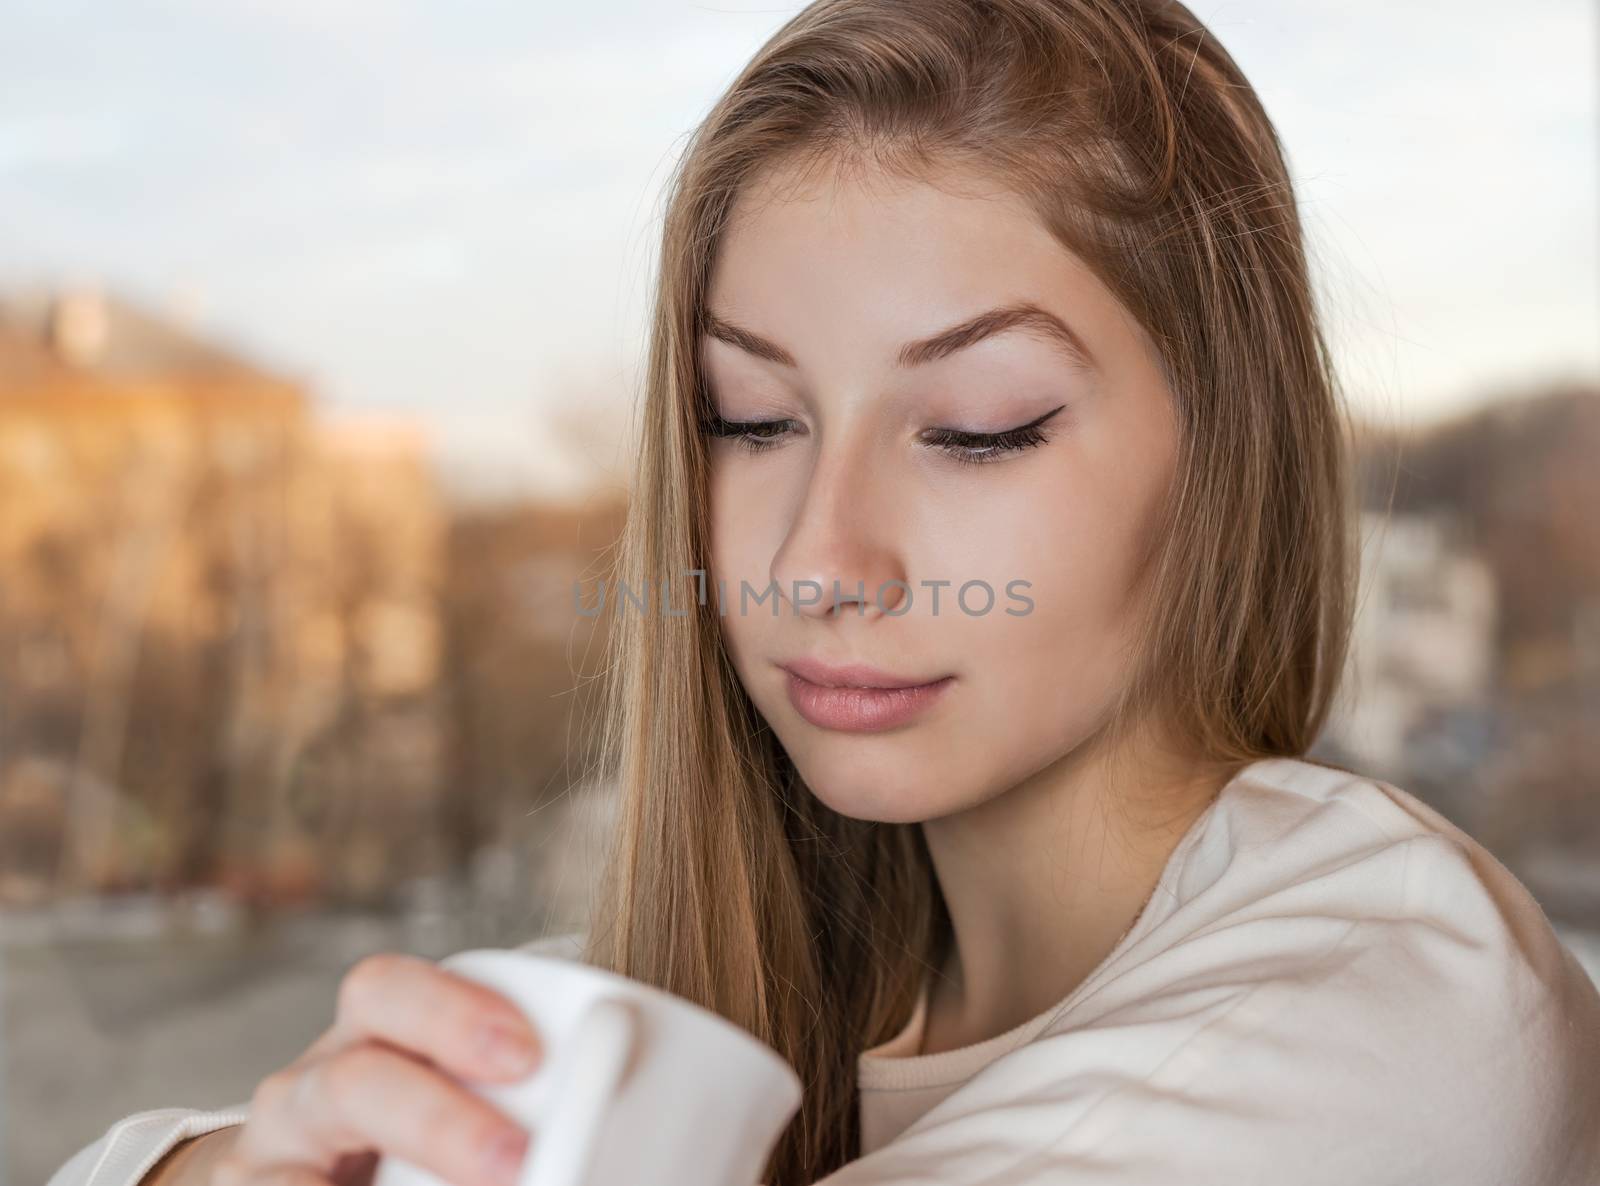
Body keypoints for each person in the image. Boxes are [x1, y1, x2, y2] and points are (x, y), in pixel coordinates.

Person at [44, 1, 1600, 1184]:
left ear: (1225, 449)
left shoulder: (1374, 1015)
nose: (813, 560)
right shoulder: (737, 986)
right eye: (751, 418)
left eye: (978, 428)